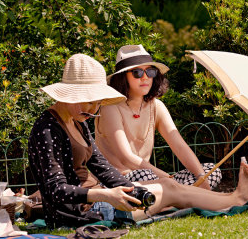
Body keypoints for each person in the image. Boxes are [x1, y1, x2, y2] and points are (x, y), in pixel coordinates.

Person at [28, 53, 248, 229]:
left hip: (100, 199)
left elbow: (103, 169)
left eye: (97, 101)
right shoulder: (47, 129)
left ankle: (232, 197)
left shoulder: (78, 121)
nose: (93, 108)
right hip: (78, 213)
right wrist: (105, 195)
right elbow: (54, 190)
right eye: (88, 101)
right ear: (69, 94)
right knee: (168, 190)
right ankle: (235, 199)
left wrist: (128, 191)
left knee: (169, 185)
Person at [95, 44, 221, 190]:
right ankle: (182, 196)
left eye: (150, 72)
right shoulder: (110, 108)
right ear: (123, 77)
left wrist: (200, 176)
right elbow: (126, 157)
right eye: (137, 73)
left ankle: (176, 197)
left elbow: (179, 146)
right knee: (148, 177)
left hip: (153, 180)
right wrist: (167, 179)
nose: (145, 78)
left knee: (211, 172)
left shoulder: (156, 106)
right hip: (117, 183)